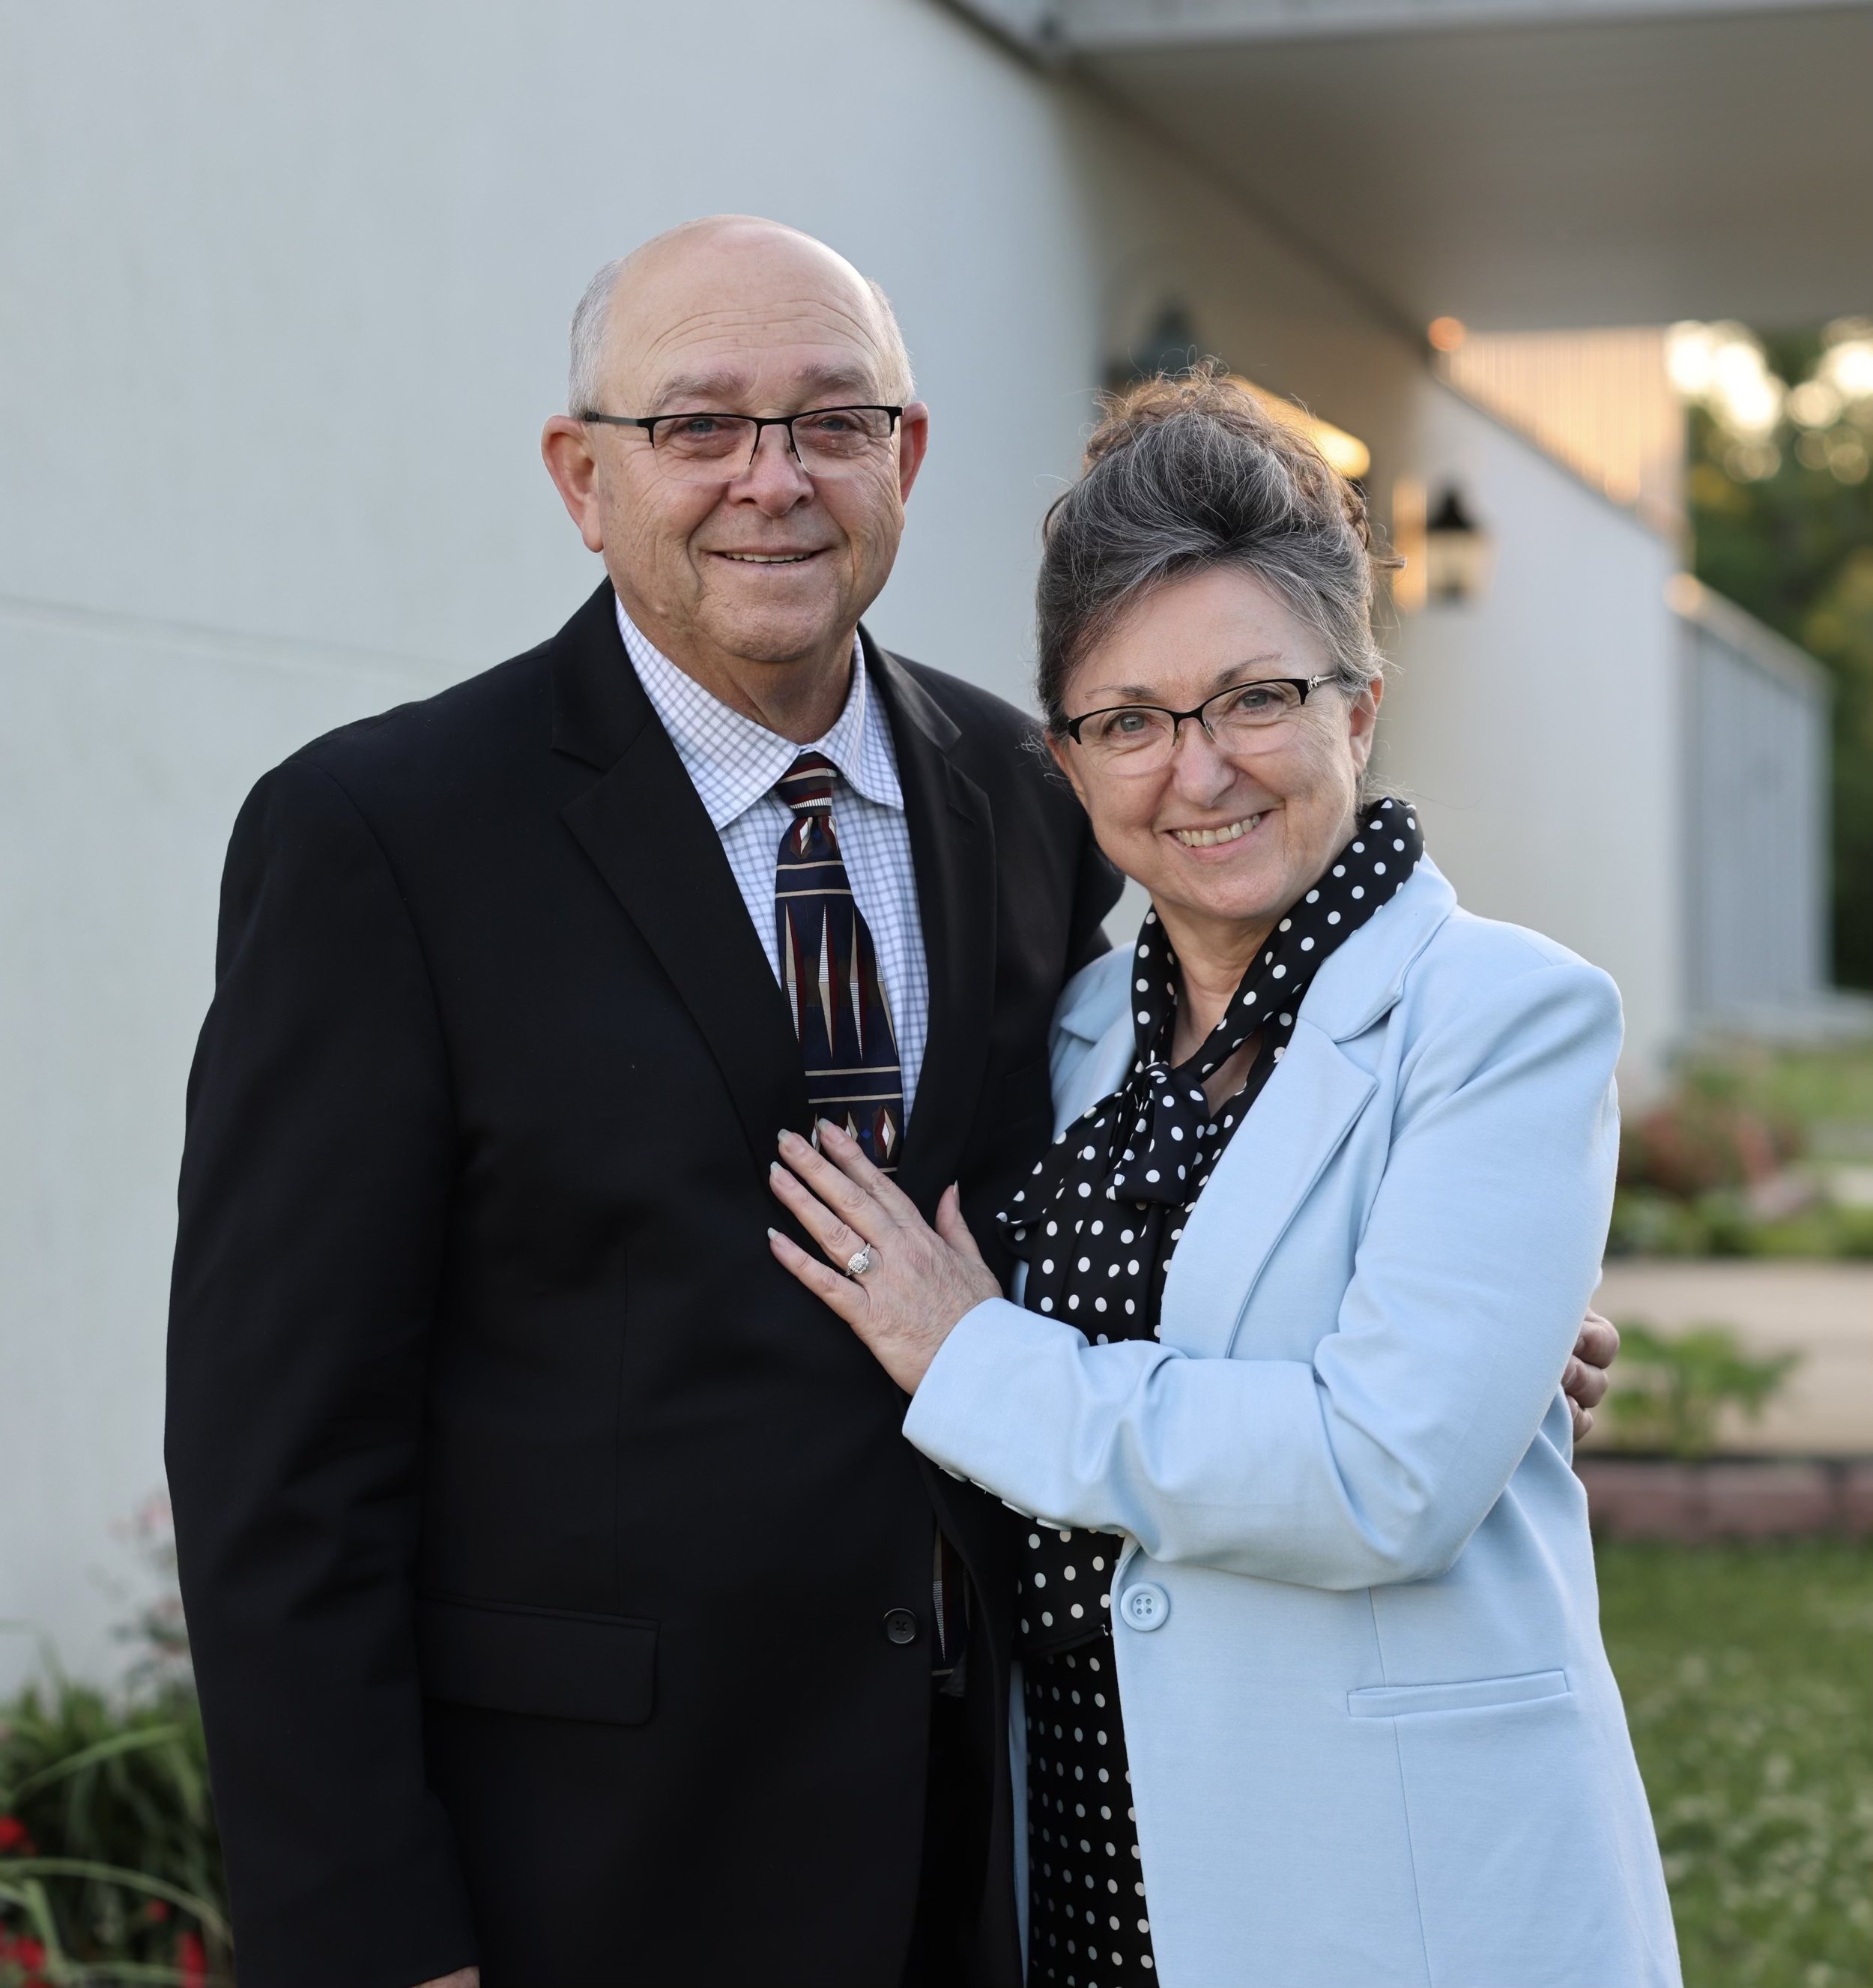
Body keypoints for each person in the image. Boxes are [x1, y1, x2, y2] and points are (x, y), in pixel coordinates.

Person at [166, 220, 1617, 1988]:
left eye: (831, 421)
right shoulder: (383, 839)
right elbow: (280, 1454)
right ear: (582, 476)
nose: (769, 481)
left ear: (903, 457)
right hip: (591, 1866)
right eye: (700, 425)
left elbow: (1108, 1193)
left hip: (989, 1837)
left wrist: (1453, 1294)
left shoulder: (1030, 792)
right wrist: (373, 1936)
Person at [769, 369, 1679, 1988]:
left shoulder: (1499, 1018)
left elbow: (1382, 1472)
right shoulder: (1065, 1045)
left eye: (1253, 698)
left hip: (1388, 1893)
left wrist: (973, 1358)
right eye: (1127, 720)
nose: (1196, 771)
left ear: (1357, 704)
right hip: (1093, 1861)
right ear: (1064, 760)